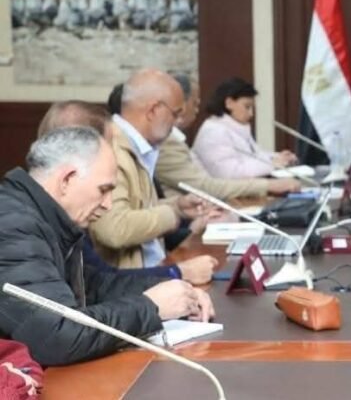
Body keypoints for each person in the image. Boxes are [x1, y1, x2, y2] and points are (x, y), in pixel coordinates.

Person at [0, 127, 215, 366]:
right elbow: (57, 337)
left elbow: (94, 287)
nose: (108, 205)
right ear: (66, 180)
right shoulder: (13, 225)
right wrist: (152, 307)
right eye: (103, 190)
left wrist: (175, 292)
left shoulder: (43, 216)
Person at [37, 100, 214, 280]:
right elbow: (103, 280)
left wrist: (178, 212)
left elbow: (97, 281)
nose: (107, 204)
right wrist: (177, 272)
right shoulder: (42, 225)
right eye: (107, 146)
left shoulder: (59, 214)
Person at [89, 69, 218, 283]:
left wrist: (177, 206)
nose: (176, 123)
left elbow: (135, 207)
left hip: (155, 271)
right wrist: (173, 214)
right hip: (135, 284)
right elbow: (114, 228)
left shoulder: (136, 145)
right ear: (153, 110)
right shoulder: (111, 149)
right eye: (175, 114)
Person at [156, 74, 300, 198]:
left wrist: (275, 157)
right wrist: (270, 176)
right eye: (195, 104)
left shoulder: (237, 127)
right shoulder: (210, 132)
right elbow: (221, 176)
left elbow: (253, 154)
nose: (197, 110)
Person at [192, 77, 297, 179]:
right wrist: (272, 164)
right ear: (229, 103)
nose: (251, 114)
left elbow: (254, 155)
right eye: (247, 107)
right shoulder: (214, 132)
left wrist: (278, 157)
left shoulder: (234, 127)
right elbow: (228, 173)